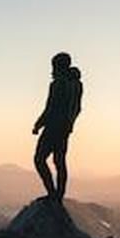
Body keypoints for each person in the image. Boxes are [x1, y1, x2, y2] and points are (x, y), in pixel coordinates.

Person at [32, 53, 83, 201]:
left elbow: (51, 108)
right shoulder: (77, 84)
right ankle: (59, 195)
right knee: (59, 161)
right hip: (65, 129)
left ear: (58, 66)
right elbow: (78, 108)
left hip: (53, 127)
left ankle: (52, 194)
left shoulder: (58, 83)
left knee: (39, 159)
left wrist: (38, 124)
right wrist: (70, 124)